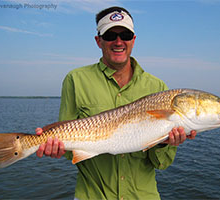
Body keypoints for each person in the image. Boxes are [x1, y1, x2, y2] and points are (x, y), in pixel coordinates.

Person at [35, 6, 197, 199]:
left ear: (133, 40)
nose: (118, 41)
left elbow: (160, 164)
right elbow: (71, 150)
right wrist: (57, 148)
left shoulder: (157, 86)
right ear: (98, 40)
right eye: (110, 35)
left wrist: (165, 144)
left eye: (126, 35)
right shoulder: (76, 79)